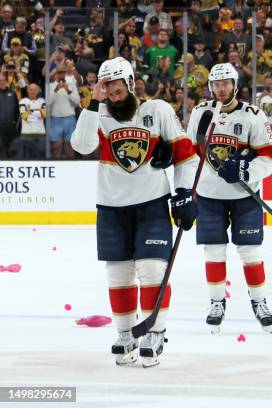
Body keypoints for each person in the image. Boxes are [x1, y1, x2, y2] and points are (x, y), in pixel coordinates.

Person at [71, 57, 199, 368]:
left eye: (117, 87)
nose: (113, 93)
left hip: (151, 203)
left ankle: (155, 332)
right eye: (107, 88)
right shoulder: (98, 113)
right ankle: (125, 332)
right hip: (111, 206)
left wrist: (183, 194)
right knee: (118, 273)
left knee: (152, 269)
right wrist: (92, 102)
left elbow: (186, 156)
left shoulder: (157, 111)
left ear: (130, 83)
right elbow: (80, 145)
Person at [186, 63, 272, 334]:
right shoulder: (200, 113)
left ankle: (259, 302)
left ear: (235, 85)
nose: (220, 88)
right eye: (216, 84)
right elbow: (190, 153)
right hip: (209, 196)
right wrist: (186, 189)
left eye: (225, 83)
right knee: (213, 251)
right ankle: (216, 302)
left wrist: (245, 170)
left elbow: (270, 157)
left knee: (250, 252)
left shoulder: (253, 115)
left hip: (244, 196)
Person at [47, 65, 80, 159]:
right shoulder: (50, 86)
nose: (61, 74)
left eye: (63, 72)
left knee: (69, 145)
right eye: (59, 72)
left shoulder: (71, 85)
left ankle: (70, 170)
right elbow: (48, 103)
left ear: (65, 73)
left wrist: (68, 91)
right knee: (56, 145)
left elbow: (77, 102)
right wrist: (55, 90)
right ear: (56, 74)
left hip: (69, 118)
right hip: (55, 118)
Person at [17, 83, 46, 159]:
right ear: (27, 90)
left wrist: (30, 111)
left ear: (38, 91)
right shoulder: (22, 101)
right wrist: (38, 112)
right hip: (26, 135)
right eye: (31, 89)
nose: (33, 91)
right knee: (26, 159)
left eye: (35, 89)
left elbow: (43, 115)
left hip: (41, 135)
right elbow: (24, 116)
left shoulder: (42, 101)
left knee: (40, 158)